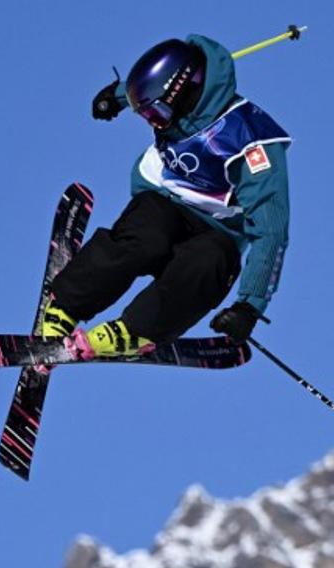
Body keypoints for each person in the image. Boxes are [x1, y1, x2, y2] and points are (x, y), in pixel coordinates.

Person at [39, 34, 292, 357]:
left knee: (209, 261)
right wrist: (119, 97)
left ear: (185, 93)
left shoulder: (251, 143)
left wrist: (249, 306)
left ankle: (136, 331)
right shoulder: (173, 101)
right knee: (148, 234)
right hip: (163, 201)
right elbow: (149, 85)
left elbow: (272, 231)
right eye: (145, 116)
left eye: (155, 114)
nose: (153, 123)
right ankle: (67, 304)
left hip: (218, 231)